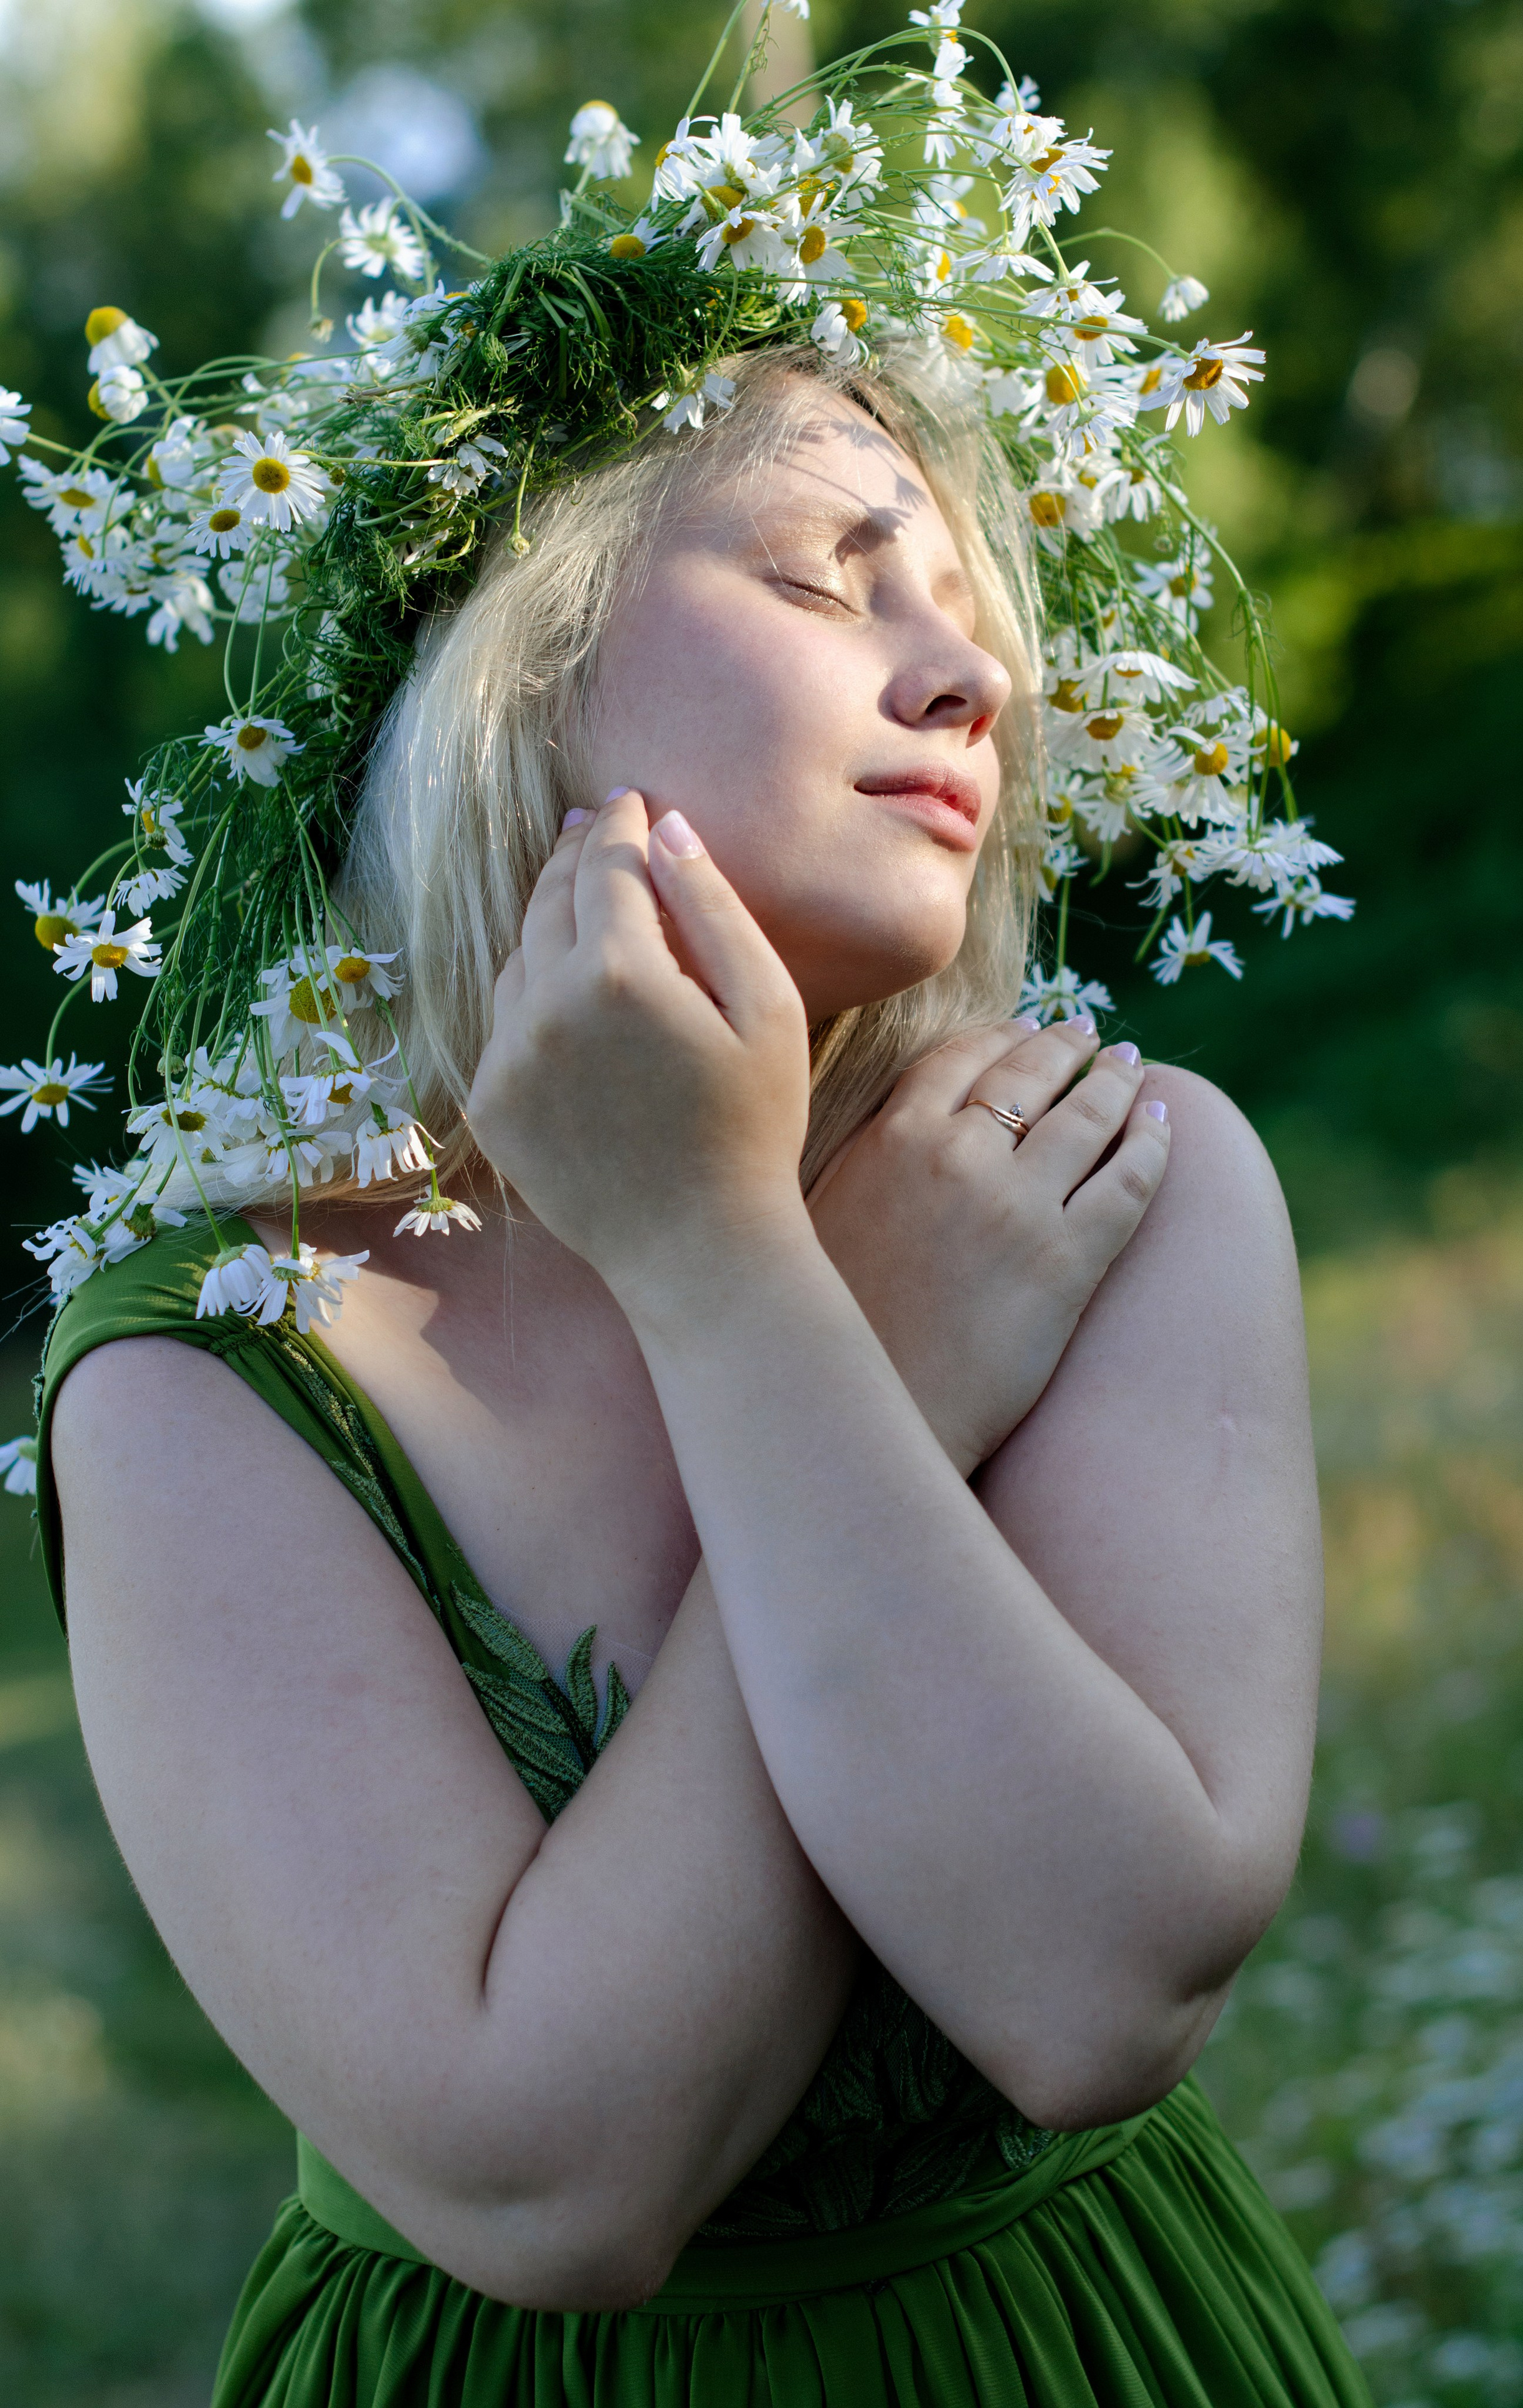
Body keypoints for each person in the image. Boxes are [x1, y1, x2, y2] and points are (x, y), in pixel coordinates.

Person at [31, 345, 1369, 2404]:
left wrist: (731, 1280)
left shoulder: (1119, 1180)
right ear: (521, 666)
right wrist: (829, 1330)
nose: (969, 681)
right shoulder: (210, 1373)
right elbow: (550, 2185)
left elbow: (1097, 1988)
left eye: (971, 613)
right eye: (835, 581)